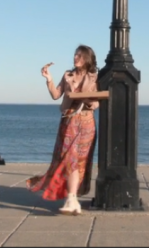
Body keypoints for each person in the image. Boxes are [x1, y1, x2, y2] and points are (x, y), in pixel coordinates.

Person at [26, 45, 100, 216]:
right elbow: (56, 94)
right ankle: (72, 199)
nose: (76, 58)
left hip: (87, 122)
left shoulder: (95, 77)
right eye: (75, 55)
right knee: (70, 159)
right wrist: (48, 78)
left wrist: (89, 101)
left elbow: (97, 103)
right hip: (69, 120)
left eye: (80, 56)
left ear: (88, 58)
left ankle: (73, 199)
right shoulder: (68, 75)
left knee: (80, 161)